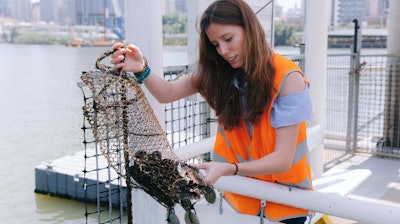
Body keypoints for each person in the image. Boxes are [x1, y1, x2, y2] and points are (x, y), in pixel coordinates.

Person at [110, 0, 313, 223]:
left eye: (228, 39)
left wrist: (229, 169)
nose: (224, 51)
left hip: (287, 203)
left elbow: (283, 160)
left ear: (250, 29)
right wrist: (142, 69)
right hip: (242, 200)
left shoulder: (288, 78)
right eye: (216, 45)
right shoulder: (220, 74)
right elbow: (167, 93)